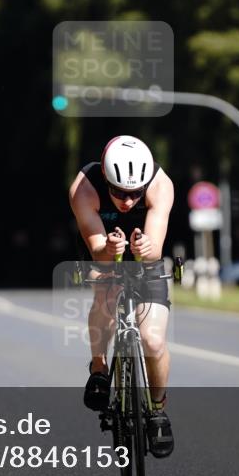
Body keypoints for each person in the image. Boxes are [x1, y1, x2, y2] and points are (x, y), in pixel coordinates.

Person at [68, 135, 175, 458]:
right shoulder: (83, 188)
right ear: (105, 179)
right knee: (105, 293)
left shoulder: (160, 185)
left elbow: (155, 248)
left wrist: (146, 249)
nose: (127, 202)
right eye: (118, 192)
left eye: (134, 194)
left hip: (147, 261)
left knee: (152, 341)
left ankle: (157, 409)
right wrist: (109, 248)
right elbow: (96, 248)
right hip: (104, 253)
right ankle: (99, 369)